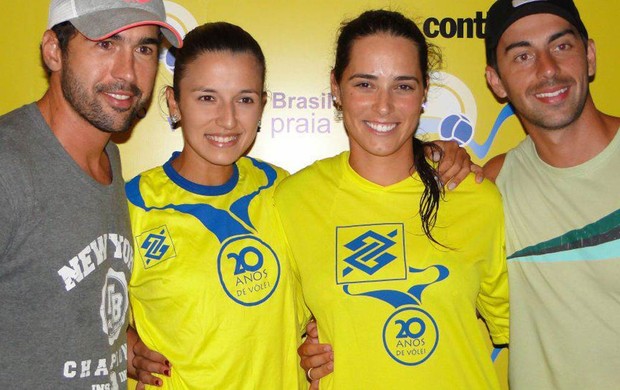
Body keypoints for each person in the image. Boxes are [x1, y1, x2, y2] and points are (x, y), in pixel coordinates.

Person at [274, 9, 509, 390]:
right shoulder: (292, 201)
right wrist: (307, 350)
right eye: (365, 84)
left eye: (403, 86)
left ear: (424, 93)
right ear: (335, 88)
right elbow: (267, 328)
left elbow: (525, 326)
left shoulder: (474, 194)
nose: (384, 107)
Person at [0, 0, 182, 388]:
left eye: (144, 48)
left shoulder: (108, 158)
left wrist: (116, 346)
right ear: (54, 50)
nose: (127, 72)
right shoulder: (8, 167)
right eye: (106, 43)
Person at [125, 22, 311, 389]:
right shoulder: (132, 205)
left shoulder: (287, 191)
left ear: (262, 105)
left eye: (244, 99)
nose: (227, 119)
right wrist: (122, 347)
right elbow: (76, 312)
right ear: (174, 102)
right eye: (207, 97)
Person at [483, 0, 620, 389]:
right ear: (495, 81)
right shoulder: (490, 188)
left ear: (589, 56)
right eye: (523, 55)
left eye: (561, 46)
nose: (547, 69)